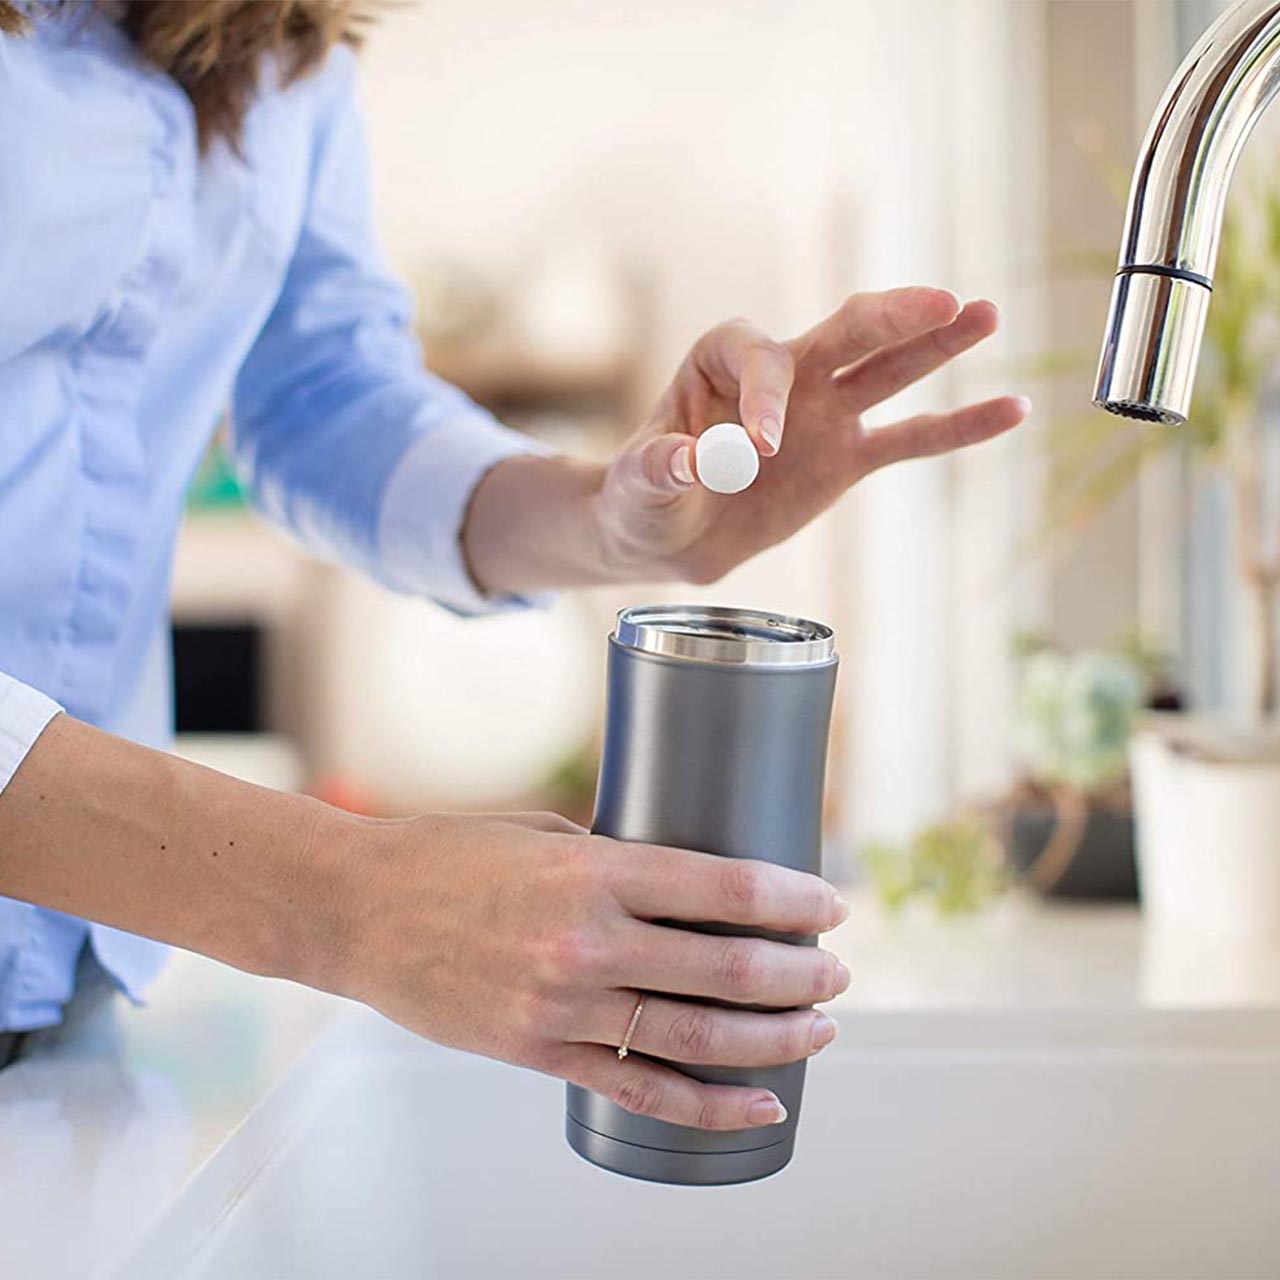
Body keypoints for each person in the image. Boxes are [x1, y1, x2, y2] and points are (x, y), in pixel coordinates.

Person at [0, 0, 1028, 1127]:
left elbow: (323, 392)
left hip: (68, 985)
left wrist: (608, 514)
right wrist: (350, 898)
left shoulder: (275, 31)